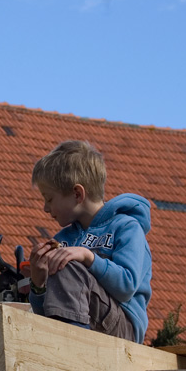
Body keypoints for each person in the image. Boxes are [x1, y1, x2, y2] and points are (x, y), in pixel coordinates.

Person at [26, 140, 152, 343]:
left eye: (49, 199)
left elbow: (127, 286)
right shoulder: (63, 240)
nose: (46, 209)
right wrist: (38, 284)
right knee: (64, 265)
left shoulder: (127, 228)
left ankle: (74, 346)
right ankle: (64, 343)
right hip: (77, 326)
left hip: (123, 328)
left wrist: (88, 257)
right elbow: (45, 311)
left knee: (69, 265)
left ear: (77, 194)